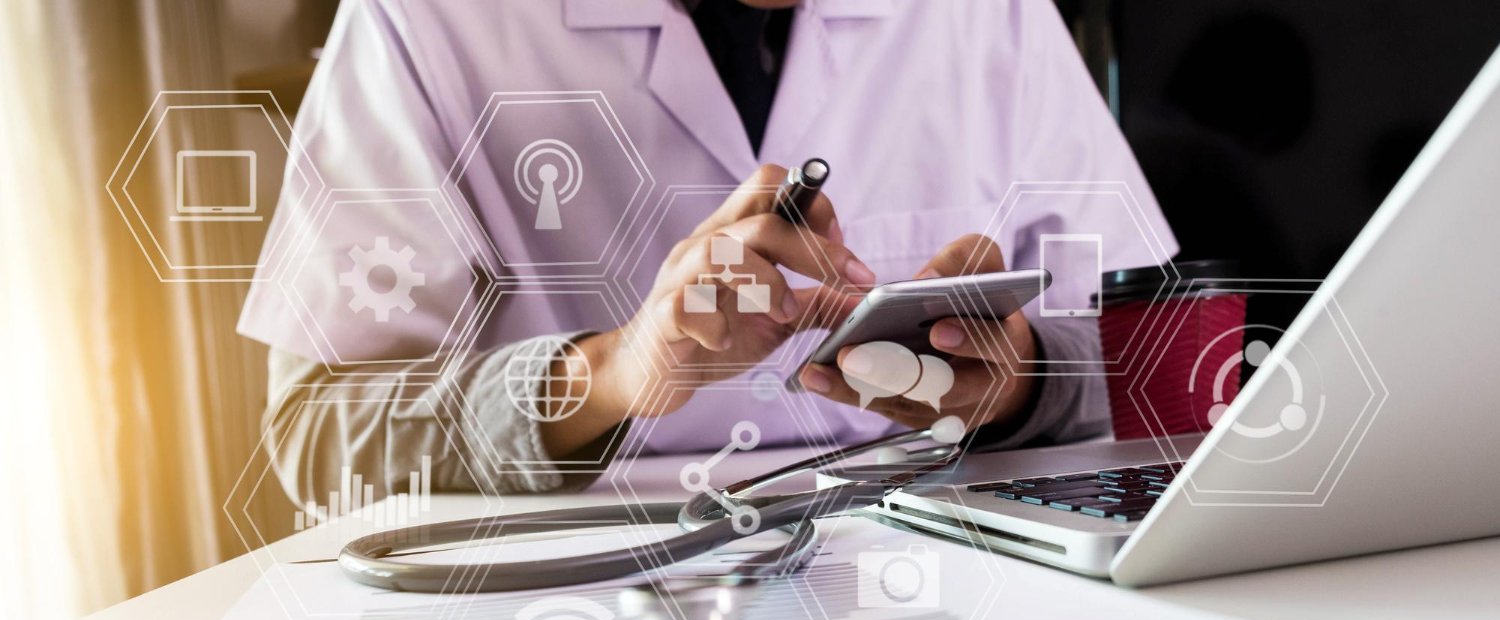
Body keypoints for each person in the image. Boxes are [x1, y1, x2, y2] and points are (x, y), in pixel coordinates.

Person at [238, 0, 1175, 501]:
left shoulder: (988, 14)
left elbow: (1161, 364)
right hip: (578, 597)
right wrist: (615, 373)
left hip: (943, 555)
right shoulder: (423, 20)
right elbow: (320, 436)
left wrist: (1020, 384)